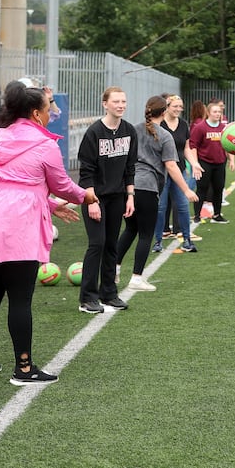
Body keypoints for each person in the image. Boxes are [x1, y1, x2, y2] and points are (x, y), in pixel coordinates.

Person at [0, 83, 98, 385]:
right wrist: (87, 197)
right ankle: (24, 369)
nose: (52, 112)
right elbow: (62, 185)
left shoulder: (1, 135)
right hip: (18, 222)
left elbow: (13, 181)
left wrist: (49, 205)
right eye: (49, 107)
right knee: (20, 298)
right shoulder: (45, 145)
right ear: (37, 113)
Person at [117, 96, 199, 290]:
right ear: (164, 112)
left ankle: (114, 268)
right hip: (147, 188)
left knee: (130, 229)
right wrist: (186, 189)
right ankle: (136, 278)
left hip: (128, 188)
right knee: (146, 234)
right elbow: (171, 165)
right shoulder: (164, 135)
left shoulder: (133, 130)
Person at [77, 86, 138, 314]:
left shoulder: (129, 131)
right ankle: (87, 298)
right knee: (97, 244)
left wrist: (130, 196)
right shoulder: (94, 132)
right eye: (116, 101)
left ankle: (109, 294)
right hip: (95, 197)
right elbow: (86, 172)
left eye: (123, 101)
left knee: (112, 245)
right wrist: (91, 201)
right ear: (105, 104)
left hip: (118, 197)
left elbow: (130, 168)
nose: (121, 105)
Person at [152, 94, 200, 253]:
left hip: (179, 171)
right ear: (166, 107)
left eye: (181, 107)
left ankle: (187, 240)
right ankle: (158, 241)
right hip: (162, 173)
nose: (179, 109)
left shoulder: (184, 124)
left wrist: (194, 164)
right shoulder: (159, 124)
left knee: (183, 206)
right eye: (175, 106)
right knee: (160, 207)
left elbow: (186, 148)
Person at [190, 102, 235, 224]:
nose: (218, 114)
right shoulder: (200, 127)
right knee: (202, 189)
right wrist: (195, 163)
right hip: (204, 162)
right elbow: (193, 146)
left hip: (220, 163)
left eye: (219, 112)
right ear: (208, 113)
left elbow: (228, 145)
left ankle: (217, 214)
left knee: (218, 189)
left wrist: (232, 160)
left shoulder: (223, 129)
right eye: (215, 111)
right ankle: (197, 215)